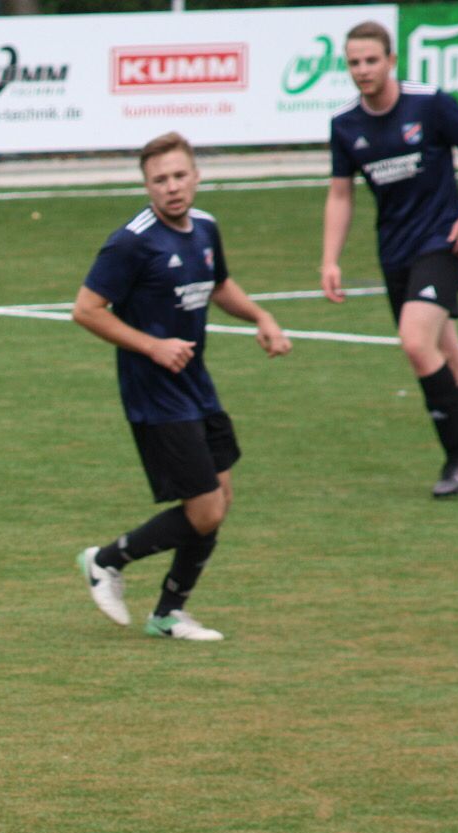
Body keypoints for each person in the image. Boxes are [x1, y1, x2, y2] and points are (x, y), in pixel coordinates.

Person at [72, 133, 292, 642]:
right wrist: (152, 346)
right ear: (146, 186)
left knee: (220, 500)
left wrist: (261, 316)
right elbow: (86, 310)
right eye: (159, 180)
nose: (171, 188)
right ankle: (104, 561)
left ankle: (168, 614)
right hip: (154, 393)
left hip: (196, 385)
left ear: (195, 175)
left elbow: (218, 286)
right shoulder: (131, 241)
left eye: (178, 176)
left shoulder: (206, 228)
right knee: (206, 508)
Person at [323, 19, 458, 498]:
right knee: (449, 358)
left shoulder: (428, 103)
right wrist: (330, 259)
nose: (363, 70)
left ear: (391, 61)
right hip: (395, 253)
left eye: (371, 60)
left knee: (413, 342)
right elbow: (341, 195)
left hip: (443, 243)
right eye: (353, 63)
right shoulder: (345, 125)